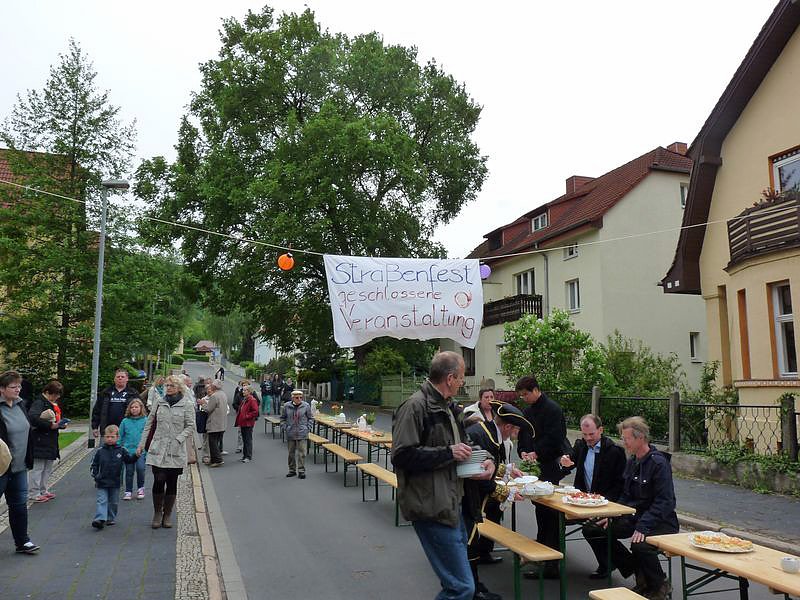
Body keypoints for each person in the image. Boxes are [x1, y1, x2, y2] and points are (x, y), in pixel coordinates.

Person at [392, 351, 495, 600]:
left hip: (453, 504)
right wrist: (448, 452)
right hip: (430, 507)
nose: (462, 382)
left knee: (457, 585)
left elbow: (466, 443)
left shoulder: (450, 407)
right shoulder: (415, 406)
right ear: (449, 378)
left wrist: (487, 460)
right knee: (462, 588)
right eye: (460, 377)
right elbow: (402, 456)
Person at [584, 417, 678, 600]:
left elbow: (665, 501)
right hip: (634, 516)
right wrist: (613, 514)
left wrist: (643, 526)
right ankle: (638, 572)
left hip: (660, 521)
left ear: (640, 438)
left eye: (626, 438)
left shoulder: (658, 464)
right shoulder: (632, 461)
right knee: (593, 529)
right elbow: (626, 495)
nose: (624, 442)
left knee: (640, 545)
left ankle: (659, 584)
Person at [465, 402, 531, 600]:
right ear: (507, 427)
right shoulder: (481, 436)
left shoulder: (486, 433)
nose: (515, 435)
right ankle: (471, 590)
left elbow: (488, 463)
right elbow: (480, 476)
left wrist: (505, 470)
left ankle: (474, 585)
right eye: (515, 430)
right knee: (469, 544)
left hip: (469, 497)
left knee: (472, 542)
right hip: (465, 498)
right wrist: (507, 493)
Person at [558, 414, 627, 579]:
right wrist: (563, 462)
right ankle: (551, 561)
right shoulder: (581, 446)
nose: (588, 438)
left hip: (606, 505)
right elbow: (567, 462)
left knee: (592, 529)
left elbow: (620, 485)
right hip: (582, 503)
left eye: (591, 434)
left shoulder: (614, 452)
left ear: (601, 430)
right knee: (553, 516)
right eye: (584, 434)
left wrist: (604, 504)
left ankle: (613, 564)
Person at [515, 375, 568, 579]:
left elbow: (556, 437)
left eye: (526, 394)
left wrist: (537, 452)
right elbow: (524, 435)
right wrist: (524, 452)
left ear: (536, 390)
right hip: (534, 465)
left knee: (550, 513)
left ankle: (552, 561)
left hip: (549, 465)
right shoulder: (528, 411)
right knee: (540, 509)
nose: (524, 398)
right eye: (521, 395)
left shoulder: (553, 409)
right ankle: (542, 552)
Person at [137, 374, 196, 529]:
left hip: (176, 449)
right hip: (158, 447)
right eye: (166, 386)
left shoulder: (187, 404)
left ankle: (167, 513)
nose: (168, 388)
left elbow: (190, 426)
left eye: (171, 386)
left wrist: (179, 439)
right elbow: (149, 424)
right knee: (158, 479)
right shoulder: (159, 402)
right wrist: (141, 445)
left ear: (179, 388)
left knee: (171, 481)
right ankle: (157, 512)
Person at [0, 370, 40, 554]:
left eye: (19, 386)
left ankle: (22, 542)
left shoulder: (20, 405)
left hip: (19, 467)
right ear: (2, 389)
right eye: (13, 386)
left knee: (18, 506)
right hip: (1, 468)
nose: (18, 389)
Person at [90, 424, 139, 529]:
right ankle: (100, 519)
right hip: (102, 481)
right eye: (107, 437)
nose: (110, 439)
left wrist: (136, 455)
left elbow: (129, 460)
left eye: (112, 437)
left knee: (113, 501)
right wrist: (95, 475)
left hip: (115, 481)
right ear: (104, 437)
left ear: (117, 437)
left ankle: (110, 518)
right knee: (102, 500)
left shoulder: (121, 450)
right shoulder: (100, 451)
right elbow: (94, 464)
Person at [27, 380, 67, 502]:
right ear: (48, 392)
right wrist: (51, 426)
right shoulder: (39, 403)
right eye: (55, 394)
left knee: (47, 467)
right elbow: (33, 418)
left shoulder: (51, 404)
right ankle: (34, 492)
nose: (57, 397)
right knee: (38, 467)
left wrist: (60, 425)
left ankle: (43, 489)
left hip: (49, 439)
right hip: (40, 439)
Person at [91, 367, 139, 441]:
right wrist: (94, 427)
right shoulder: (106, 392)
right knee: (106, 452)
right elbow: (97, 410)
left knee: (124, 452)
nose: (120, 378)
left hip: (127, 430)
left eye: (122, 377)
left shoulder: (133, 393)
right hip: (108, 430)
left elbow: (141, 411)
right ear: (114, 379)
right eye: (118, 377)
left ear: (127, 379)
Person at [119, 398, 148, 500]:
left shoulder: (145, 420)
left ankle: (140, 488)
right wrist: (119, 448)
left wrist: (146, 449)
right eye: (132, 407)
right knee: (129, 471)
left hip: (140, 450)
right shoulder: (125, 421)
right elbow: (120, 436)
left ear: (141, 408)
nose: (134, 409)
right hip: (128, 451)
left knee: (140, 468)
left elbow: (148, 436)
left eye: (136, 407)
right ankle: (128, 491)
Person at [281, 389, 311, 478]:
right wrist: (285, 427)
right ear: (292, 398)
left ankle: (301, 471)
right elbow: (282, 418)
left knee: (302, 453)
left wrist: (307, 428)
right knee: (291, 453)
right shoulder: (286, 406)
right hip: (291, 432)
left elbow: (310, 418)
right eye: (297, 397)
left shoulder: (306, 406)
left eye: (301, 397)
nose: (299, 399)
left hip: (302, 433)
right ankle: (292, 470)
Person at [198, 379, 228, 467]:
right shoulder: (223, 394)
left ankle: (218, 460)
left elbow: (208, 409)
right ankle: (215, 459)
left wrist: (203, 403)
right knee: (215, 441)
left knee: (212, 442)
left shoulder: (214, 396)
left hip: (214, 423)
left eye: (211, 385)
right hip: (222, 423)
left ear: (214, 387)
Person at [235, 384, 260, 463]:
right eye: (243, 390)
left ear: (249, 391)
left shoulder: (252, 400)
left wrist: (246, 416)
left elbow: (255, 412)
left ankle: (248, 456)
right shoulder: (245, 400)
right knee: (244, 439)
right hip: (243, 423)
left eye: (245, 390)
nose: (243, 391)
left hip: (248, 423)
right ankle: (244, 455)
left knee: (248, 440)